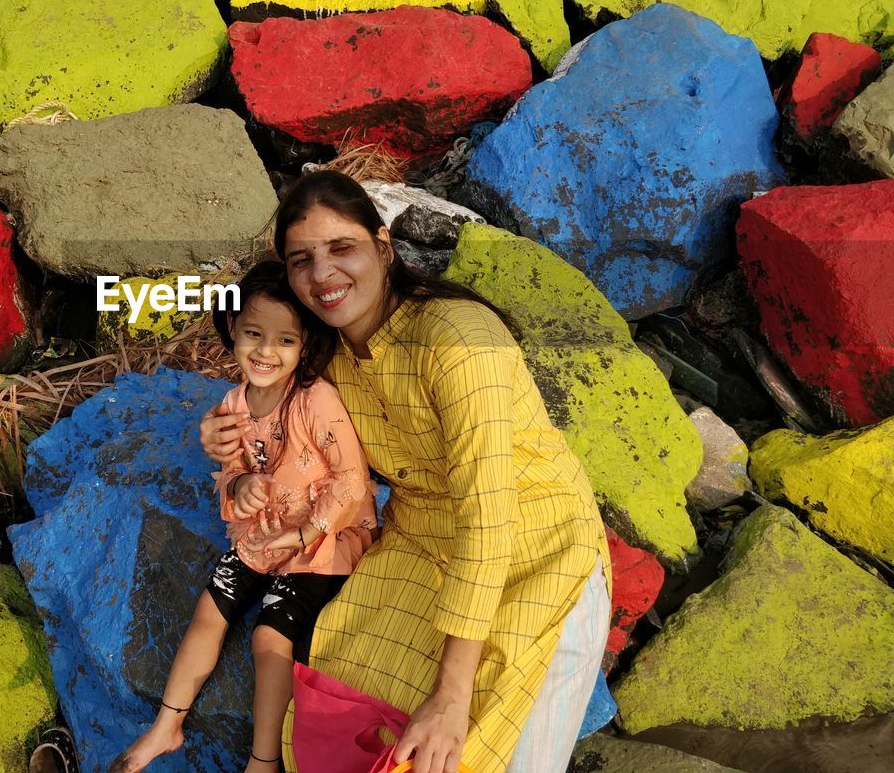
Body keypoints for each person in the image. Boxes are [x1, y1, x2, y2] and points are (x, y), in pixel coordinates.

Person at [201, 171, 612, 773]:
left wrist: (451, 696)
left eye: (342, 249)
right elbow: (273, 416)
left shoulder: (458, 341)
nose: (322, 276)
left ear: (384, 246)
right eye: (301, 261)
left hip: (534, 542)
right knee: (344, 719)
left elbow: (488, 518)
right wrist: (227, 444)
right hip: (418, 541)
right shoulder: (329, 353)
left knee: (472, 749)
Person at [113, 259, 378, 773]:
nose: (266, 352)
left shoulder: (315, 400)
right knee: (208, 613)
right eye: (254, 333)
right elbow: (229, 473)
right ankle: (167, 725)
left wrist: (304, 532)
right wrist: (241, 485)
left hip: (320, 542)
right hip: (264, 535)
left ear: (306, 344)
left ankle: (264, 760)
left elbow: (351, 480)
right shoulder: (234, 403)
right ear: (232, 328)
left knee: (268, 636)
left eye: (285, 340)